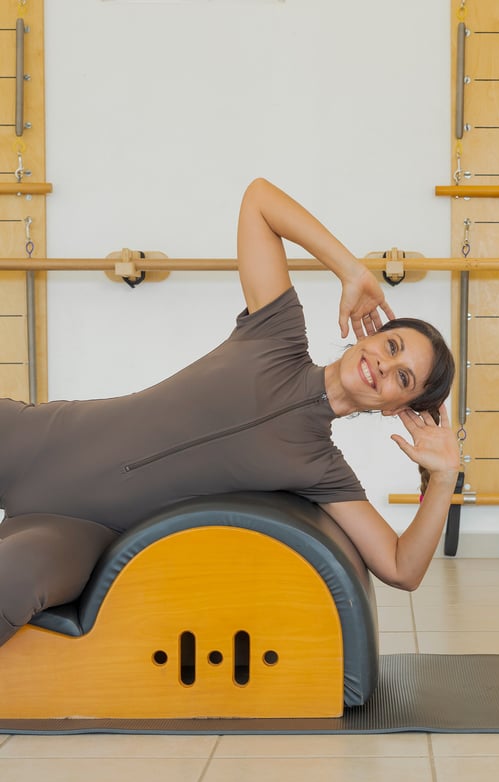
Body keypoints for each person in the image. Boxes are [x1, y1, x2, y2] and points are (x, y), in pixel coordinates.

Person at [0, 178, 459, 649]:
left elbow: (403, 569)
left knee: (11, 581)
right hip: (36, 441)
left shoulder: (322, 470)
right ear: (369, 334)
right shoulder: (276, 332)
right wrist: (349, 269)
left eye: (402, 379)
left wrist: (443, 478)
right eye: (392, 345)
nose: (385, 364)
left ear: (395, 408)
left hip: (75, 533)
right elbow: (260, 200)